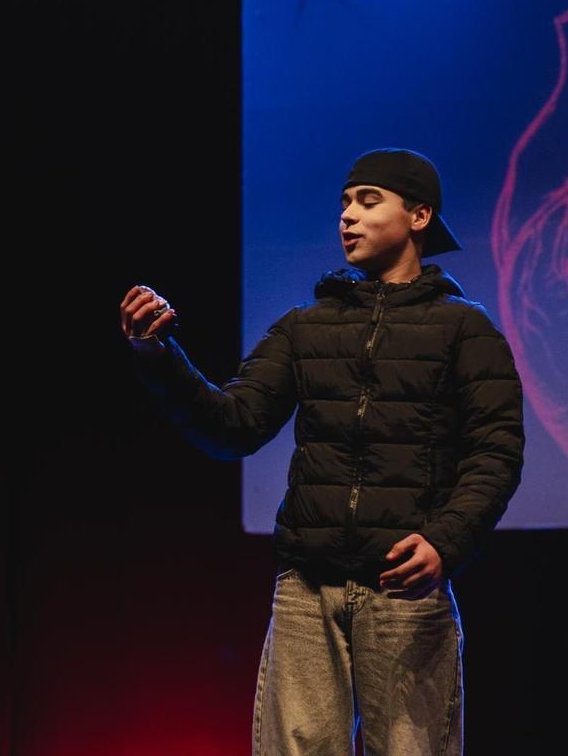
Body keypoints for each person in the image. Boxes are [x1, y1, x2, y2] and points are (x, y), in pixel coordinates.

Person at [119, 147, 525, 755]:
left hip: (403, 587)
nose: (348, 217)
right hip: (308, 587)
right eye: (344, 204)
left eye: (368, 201)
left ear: (419, 217)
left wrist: (446, 540)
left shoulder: (464, 329)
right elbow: (232, 427)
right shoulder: (306, 327)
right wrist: (160, 358)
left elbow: (496, 450)